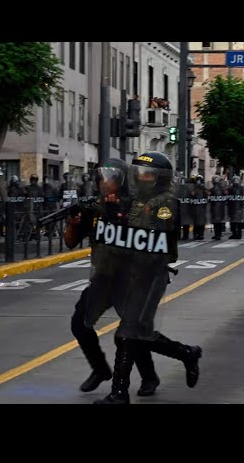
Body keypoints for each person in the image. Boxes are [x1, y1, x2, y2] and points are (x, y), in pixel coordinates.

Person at [92, 152, 202, 404]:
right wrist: (109, 215)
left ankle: (119, 393)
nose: (142, 178)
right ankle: (187, 354)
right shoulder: (134, 201)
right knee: (139, 334)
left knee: (126, 333)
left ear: (160, 179)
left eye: (148, 174)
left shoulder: (166, 203)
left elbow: (152, 237)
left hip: (151, 275)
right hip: (129, 274)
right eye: (139, 173)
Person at [64, 158, 161, 397]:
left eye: (110, 178)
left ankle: (149, 377)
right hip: (102, 277)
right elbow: (70, 242)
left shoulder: (135, 206)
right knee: (80, 324)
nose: (104, 182)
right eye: (102, 177)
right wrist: (73, 223)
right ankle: (100, 369)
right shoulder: (94, 208)